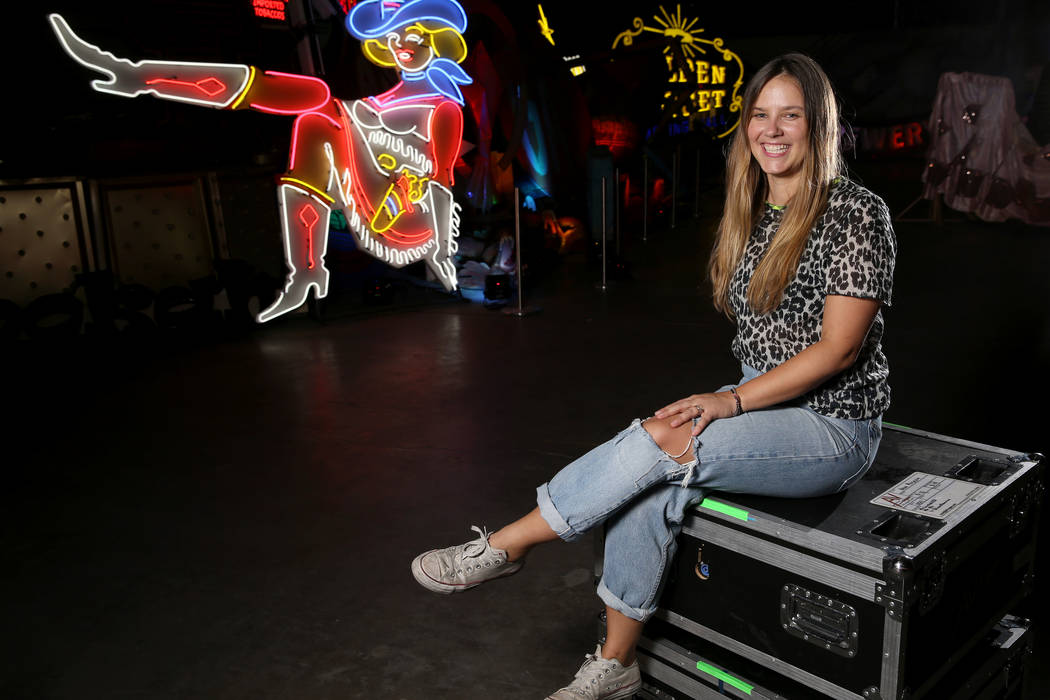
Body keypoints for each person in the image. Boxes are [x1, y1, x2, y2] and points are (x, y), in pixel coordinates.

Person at [411, 52, 896, 700]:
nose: (772, 130)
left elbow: (837, 350)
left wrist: (729, 403)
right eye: (760, 115)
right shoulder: (754, 205)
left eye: (792, 116)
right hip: (764, 404)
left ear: (821, 126)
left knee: (669, 439)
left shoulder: (857, 213)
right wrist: (735, 402)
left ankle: (509, 544)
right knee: (650, 474)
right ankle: (616, 666)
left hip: (834, 427)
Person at [49, 0, 472, 323]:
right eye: (394, 39)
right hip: (373, 196)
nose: (401, 47)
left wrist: (441, 256)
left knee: (320, 102)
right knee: (314, 113)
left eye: (411, 37)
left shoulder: (443, 106)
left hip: (409, 221)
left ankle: (139, 77)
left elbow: (442, 179)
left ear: (434, 39)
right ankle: (306, 273)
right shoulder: (375, 103)